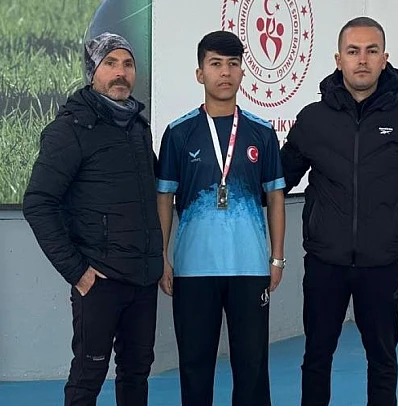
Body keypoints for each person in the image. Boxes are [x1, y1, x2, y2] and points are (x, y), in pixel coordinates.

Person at [280, 17, 398, 406]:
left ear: (384, 59)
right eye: (353, 51)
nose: (362, 59)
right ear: (338, 59)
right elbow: (278, 180)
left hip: (381, 264)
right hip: (325, 262)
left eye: (372, 51)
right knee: (316, 357)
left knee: (383, 359)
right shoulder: (313, 119)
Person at [22, 32, 163, 406]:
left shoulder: (138, 127)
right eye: (110, 63)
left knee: (136, 374)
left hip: (143, 279)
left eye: (128, 64)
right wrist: (78, 272)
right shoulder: (69, 130)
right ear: (92, 71)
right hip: (100, 282)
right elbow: (38, 203)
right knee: (88, 378)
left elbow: (152, 193)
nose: (120, 72)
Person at [155, 30, 286, 406]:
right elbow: (164, 199)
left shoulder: (262, 133)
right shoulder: (178, 133)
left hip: (250, 267)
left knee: (252, 367)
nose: (225, 72)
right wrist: (162, 257)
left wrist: (276, 258)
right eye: (215, 64)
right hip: (193, 269)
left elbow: (275, 198)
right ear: (200, 74)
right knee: (195, 367)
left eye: (233, 64)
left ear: (243, 72)